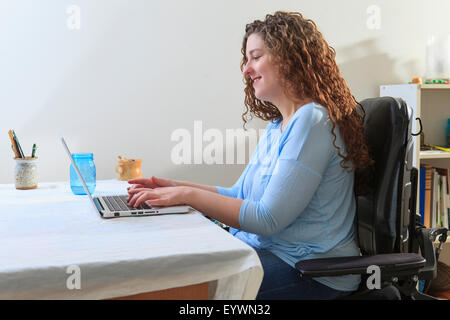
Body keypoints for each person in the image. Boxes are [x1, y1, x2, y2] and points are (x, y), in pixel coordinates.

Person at [126, 11, 373, 300]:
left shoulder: (312, 121)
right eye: (247, 59)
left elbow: (267, 219)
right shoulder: (278, 125)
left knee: (177, 289)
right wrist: (173, 187)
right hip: (266, 254)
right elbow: (239, 192)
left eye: (256, 57)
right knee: (166, 270)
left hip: (312, 273)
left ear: (288, 57)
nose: (246, 69)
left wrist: (186, 196)